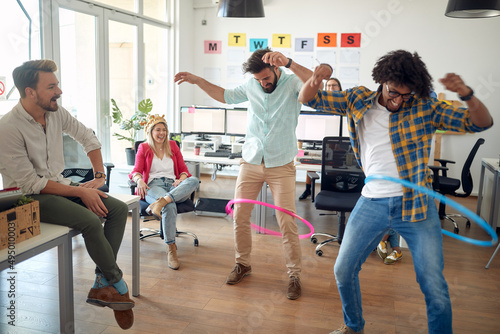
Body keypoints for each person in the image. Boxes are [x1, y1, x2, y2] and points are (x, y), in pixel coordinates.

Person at [299, 50, 493, 334]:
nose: (398, 100)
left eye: (406, 95)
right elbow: (309, 99)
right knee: (343, 270)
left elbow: (480, 122)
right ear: (382, 81)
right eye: (393, 93)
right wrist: (316, 77)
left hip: (416, 205)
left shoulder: (425, 107)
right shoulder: (357, 100)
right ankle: (354, 327)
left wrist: (467, 93)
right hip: (371, 202)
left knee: (433, 285)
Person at [174, 47, 330, 300]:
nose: (263, 83)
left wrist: (290, 62)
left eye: (266, 78)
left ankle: (294, 275)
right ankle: (243, 264)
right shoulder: (251, 84)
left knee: (286, 221)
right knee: (240, 216)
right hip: (251, 160)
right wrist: (197, 80)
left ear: (276, 68)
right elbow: (224, 96)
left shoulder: (291, 82)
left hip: (281, 164)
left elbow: (315, 86)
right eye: (258, 80)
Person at [0, 60, 135, 330]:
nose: (58, 91)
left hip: (58, 185)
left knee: (119, 209)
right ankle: (117, 284)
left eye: (57, 84)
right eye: (51, 86)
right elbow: (29, 182)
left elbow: (88, 137)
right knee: (90, 220)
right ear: (30, 91)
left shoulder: (56, 113)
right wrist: (78, 192)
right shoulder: (8, 127)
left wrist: (98, 177)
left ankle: (102, 283)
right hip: (26, 197)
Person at [129, 114, 199, 270]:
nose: (162, 133)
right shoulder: (144, 147)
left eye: (164, 130)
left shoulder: (173, 145)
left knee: (193, 180)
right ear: (151, 131)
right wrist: (139, 180)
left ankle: (161, 202)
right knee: (170, 206)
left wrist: (181, 179)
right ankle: (171, 248)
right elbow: (136, 171)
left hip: (173, 185)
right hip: (153, 186)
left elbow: (184, 171)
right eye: (158, 130)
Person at [299, 77, 342, 200]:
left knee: (334, 163)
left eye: (334, 85)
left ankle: (332, 189)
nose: (331, 88)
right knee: (310, 159)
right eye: (328, 86)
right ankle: (308, 189)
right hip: (319, 138)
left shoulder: (342, 103)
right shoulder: (320, 102)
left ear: (339, 88)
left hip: (337, 140)